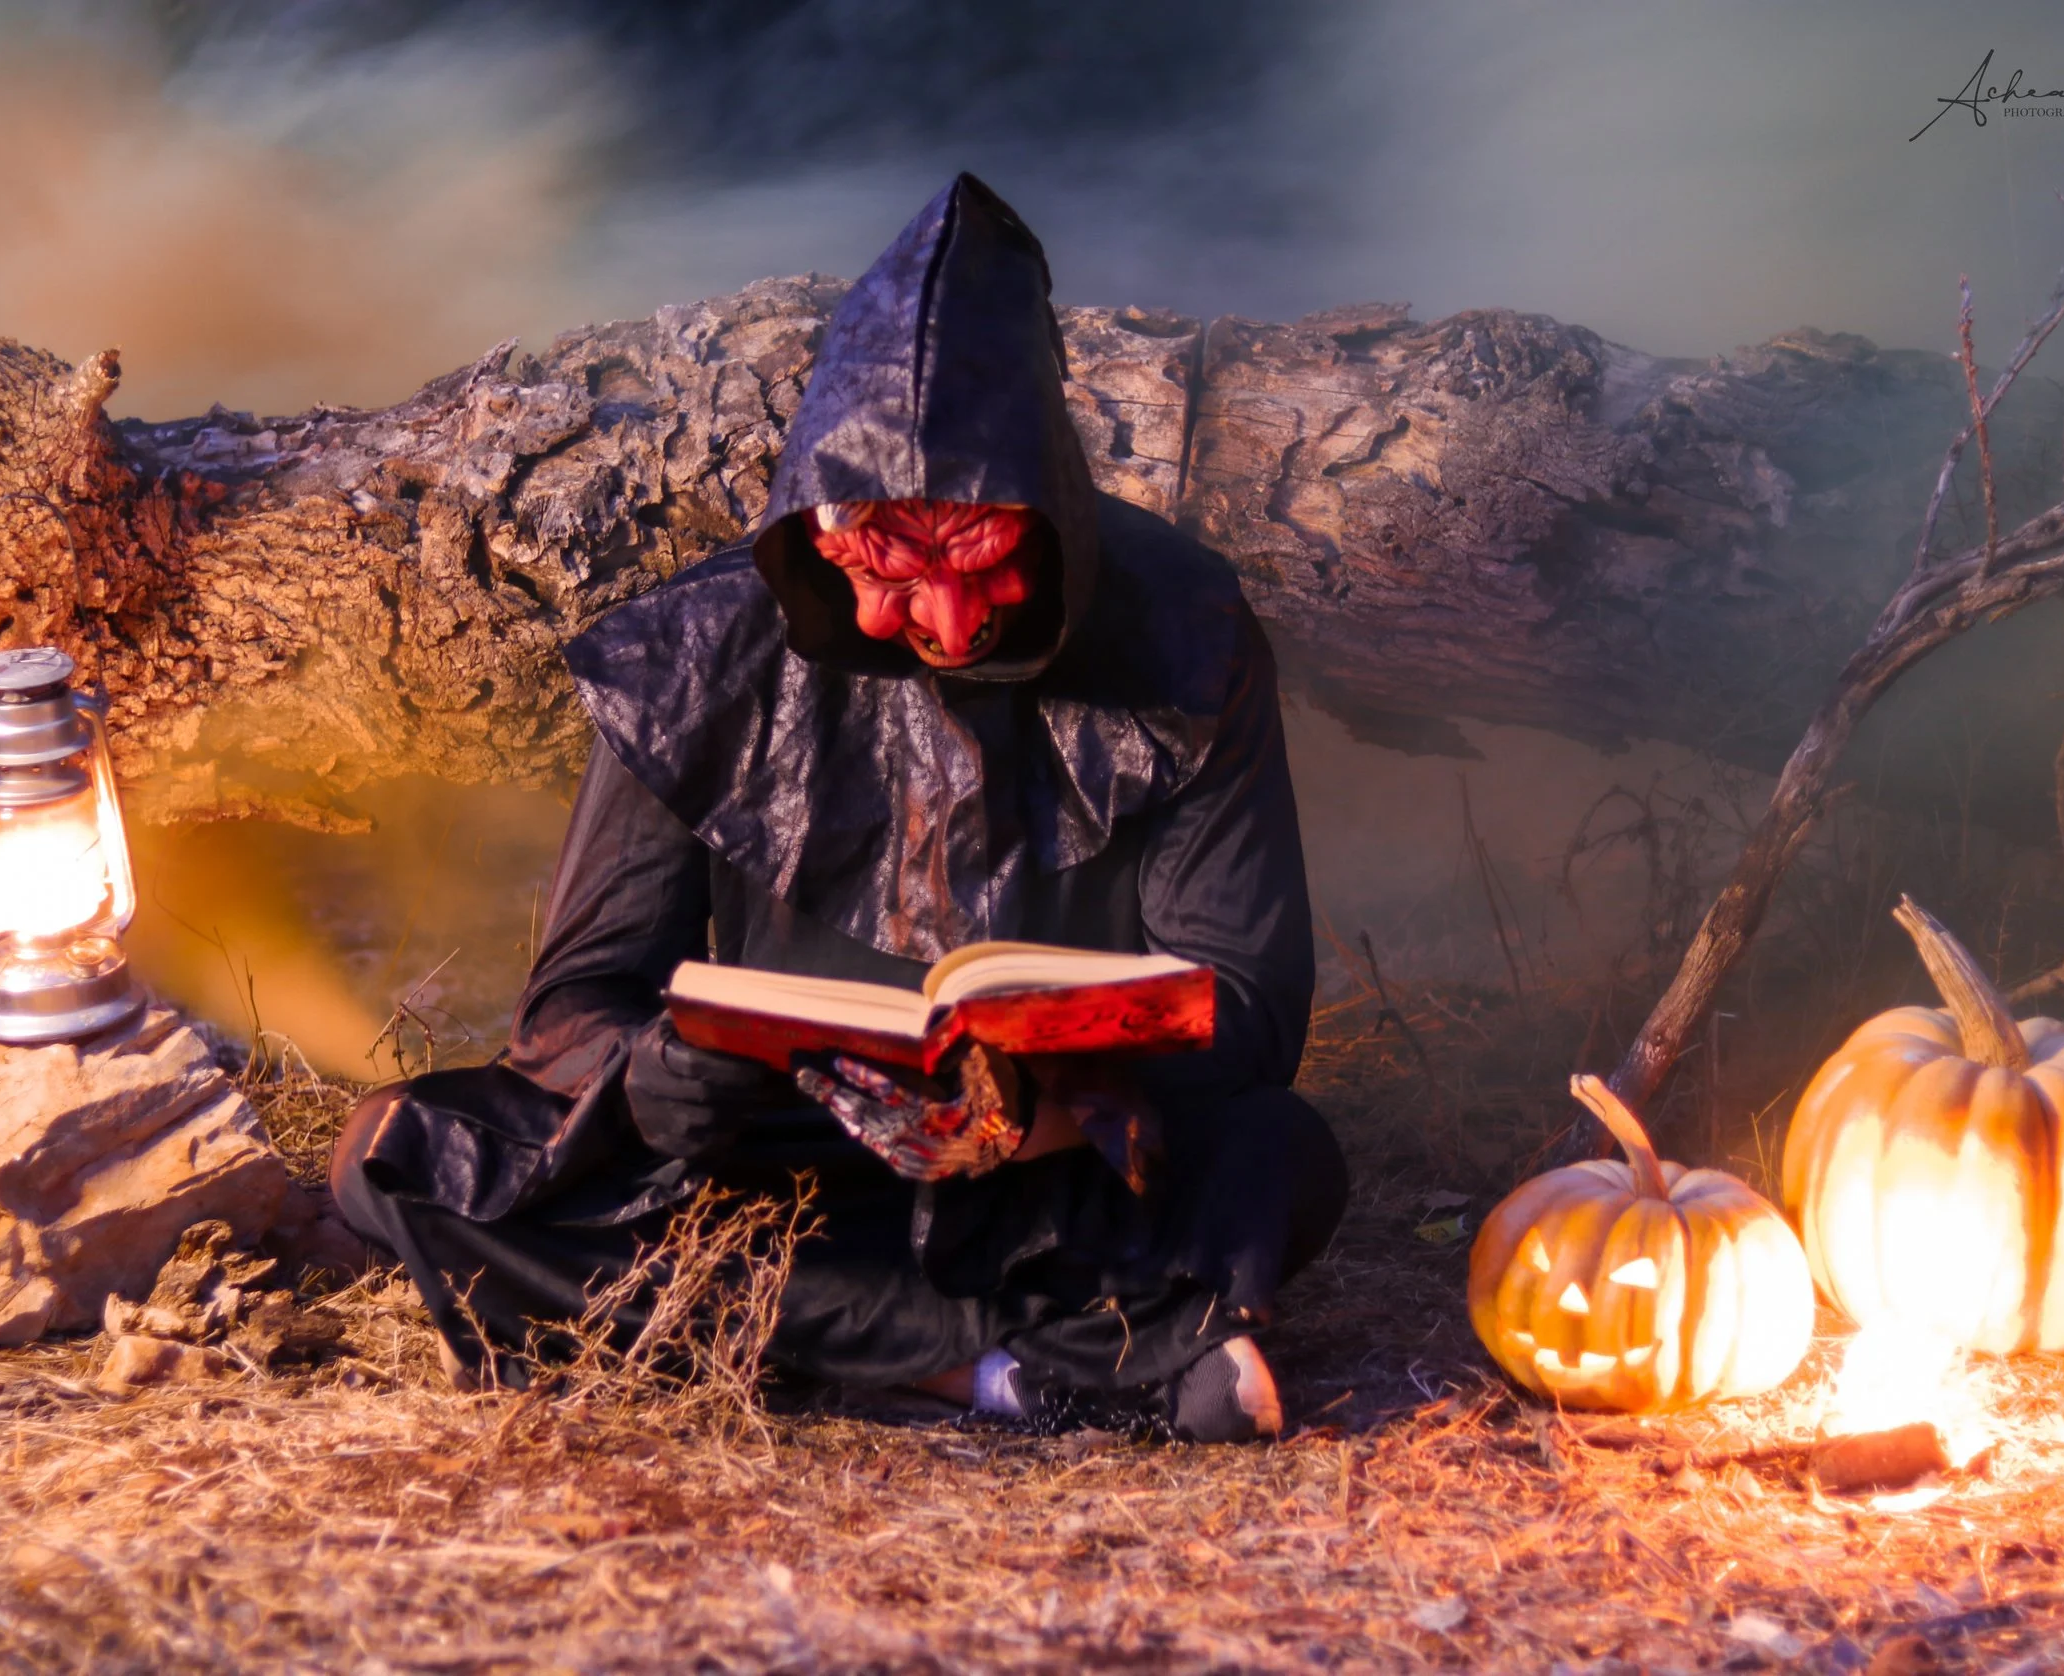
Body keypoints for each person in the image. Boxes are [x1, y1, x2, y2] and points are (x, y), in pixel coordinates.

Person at [327, 174, 1347, 1442]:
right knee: (398, 1156)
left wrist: (1043, 1104)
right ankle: (1025, 1368)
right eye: (889, 568)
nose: (951, 626)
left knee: (1276, 1159)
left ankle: (857, 1350)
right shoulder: (694, 658)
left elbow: (1243, 1002)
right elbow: (572, 1008)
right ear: (818, 537)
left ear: (1057, 521)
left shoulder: (1189, 639)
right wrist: (653, 1078)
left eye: (982, 557)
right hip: (762, 1176)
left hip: (1047, 1183)